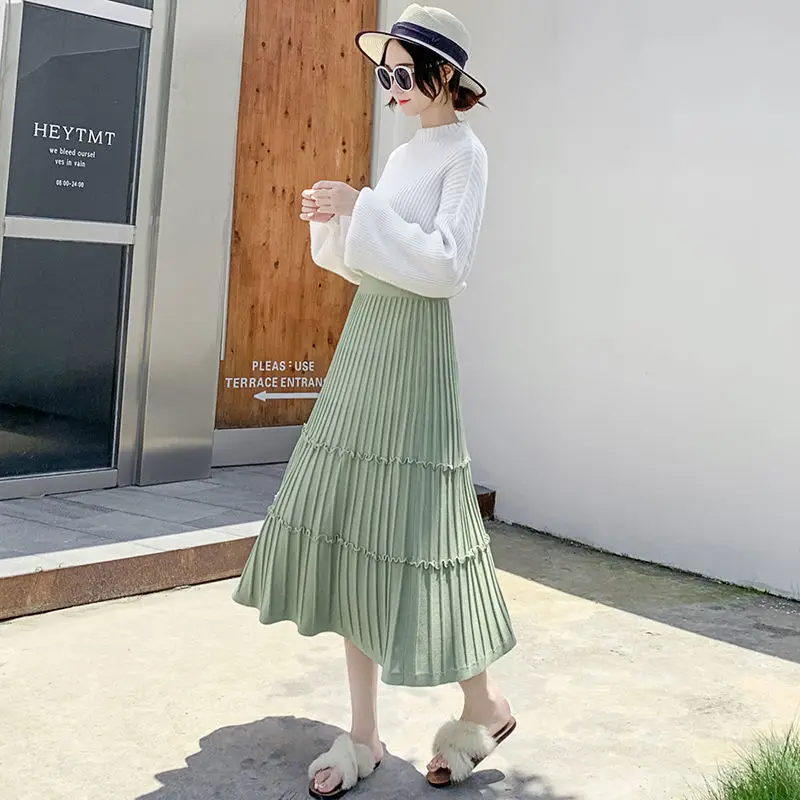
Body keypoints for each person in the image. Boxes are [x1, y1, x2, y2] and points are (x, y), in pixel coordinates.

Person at [233, 4, 517, 796]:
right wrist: (335, 223)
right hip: (368, 340)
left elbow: (446, 267)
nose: (391, 87)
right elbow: (373, 260)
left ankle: (484, 703)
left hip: (415, 352)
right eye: (384, 74)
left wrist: (362, 208)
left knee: (423, 528)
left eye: (402, 73)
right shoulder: (403, 153)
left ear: (445, 74)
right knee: (353, 520)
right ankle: (363, 733)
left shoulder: (466, 156)